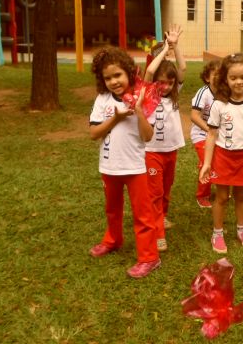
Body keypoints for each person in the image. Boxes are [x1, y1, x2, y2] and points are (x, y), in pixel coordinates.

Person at [88, 46, 160, 279]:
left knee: (143, 215)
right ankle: (113, 240)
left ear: (129, 72)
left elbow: (147, 136)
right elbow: (94, 133)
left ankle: (149, 257)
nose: (113, 81)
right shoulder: (103, 100)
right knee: (112, 209)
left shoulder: (143, 97)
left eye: (117, 75)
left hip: (135, 167)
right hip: (109, 166)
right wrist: (116, 118)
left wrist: (139, 111)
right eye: (107, 78)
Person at [199, 53, 243, 254]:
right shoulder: (219, 104)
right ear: (225, 79)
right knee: (222, 197)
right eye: (233, 78)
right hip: (223, 157)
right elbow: (211, 135)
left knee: (241, 197)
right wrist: (207, 163)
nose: (239, 82)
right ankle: (217, 233)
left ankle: (242, 230)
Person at [143, 26, 186, 253]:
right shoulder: (149, 92)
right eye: (162, 82)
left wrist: (175, 47)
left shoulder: (174, 94)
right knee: (155, 193)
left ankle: (163, 216)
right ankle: (158, 232)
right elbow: (150, 71)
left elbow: (183, 68)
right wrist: (165, 48)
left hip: (171, 150)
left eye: (169, 83)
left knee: (166, 189)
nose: (166, 87)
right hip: (152, 151)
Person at [190, 59, 221, 209]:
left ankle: (222, 191)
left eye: (222, 74)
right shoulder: (203, 93)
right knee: (207, 162)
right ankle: (202, 195)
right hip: (201, 134)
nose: (219, 77)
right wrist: (210, 130)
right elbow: (194, 116)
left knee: (221, 161)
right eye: (215, 74)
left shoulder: (225, 93)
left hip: (218, 135)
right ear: (208, 77)